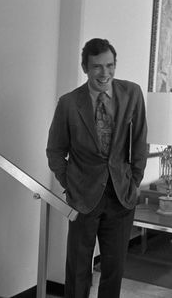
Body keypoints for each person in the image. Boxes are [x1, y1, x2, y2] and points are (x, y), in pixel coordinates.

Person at [46, 38, 147, 298]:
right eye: (97, 67)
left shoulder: (132, 93)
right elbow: (55, 151)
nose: (105, 73)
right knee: (78, 270)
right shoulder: (69, 103)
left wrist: (134, 182)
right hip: (83, 198)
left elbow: (139, 142)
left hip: (121, 196)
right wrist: (71, 184)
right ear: (85, 67)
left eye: (110, 65)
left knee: (114, 270)